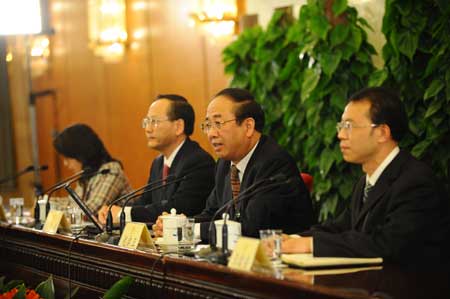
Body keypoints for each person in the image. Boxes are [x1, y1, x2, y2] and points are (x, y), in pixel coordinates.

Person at [281, 87, 450, 265]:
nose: (340, 135)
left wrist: (310, 245)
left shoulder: (415, 182)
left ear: (382, 133)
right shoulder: (366, 181)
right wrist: (291, 239)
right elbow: (341, 227)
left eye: (349, 126)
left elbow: (387, 244)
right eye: (341, 126)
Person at [152, 88, 313, 239]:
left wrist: (187, 230)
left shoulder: (274, 163)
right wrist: (179, 224)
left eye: (218, 124)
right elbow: (212, 213)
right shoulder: (224, 165)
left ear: (248, 126)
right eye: (208, 125)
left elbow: (251, 227)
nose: (211, 134)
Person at [98, 94, 215, 224]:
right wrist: (117, 211)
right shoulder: (158, 163)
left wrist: (124, 213)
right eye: (146, 122)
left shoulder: (198, 161)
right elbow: (145, 201)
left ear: (178, 126)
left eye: (154, 121)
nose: (148, 129)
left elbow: (177, 208)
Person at [53, 124, 133, 214]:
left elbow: (90, 211)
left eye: (68, 158)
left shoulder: (110, 171)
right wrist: (46, 203)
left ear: (81, 153)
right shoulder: (87, 173)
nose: (65, 164)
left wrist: (51, 210)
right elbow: (72, 203)